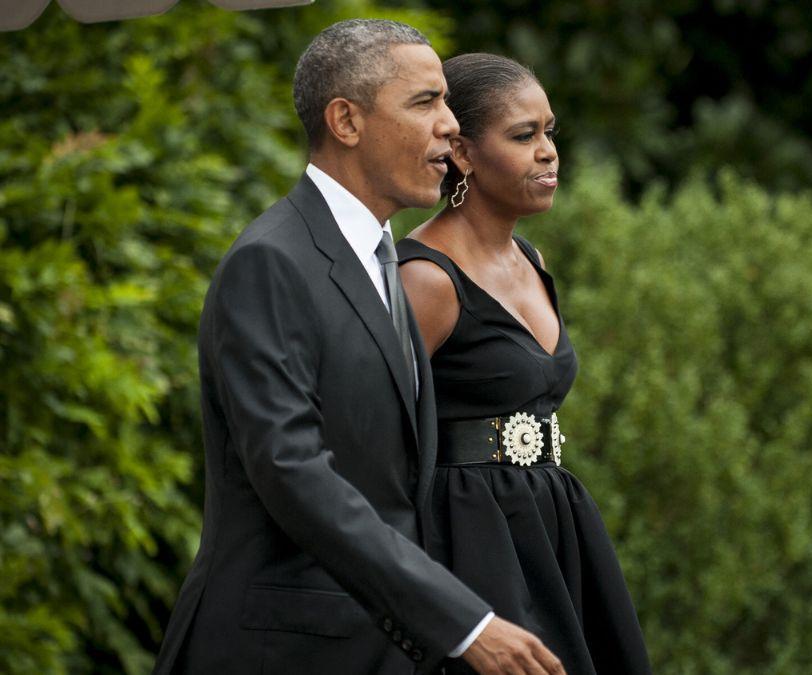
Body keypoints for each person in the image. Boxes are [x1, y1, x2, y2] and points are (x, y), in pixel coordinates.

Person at [153, 21, 563, 675]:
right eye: (425, 102)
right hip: (281, 650)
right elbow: (292, 470)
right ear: (346, 121)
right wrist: (464, 622)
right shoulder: (270, 261)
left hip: (378, 646)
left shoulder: (384, 257)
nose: (450, 125)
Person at [396, 53, 654, 675]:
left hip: (552, 525)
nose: (548, 153)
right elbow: (373, 439)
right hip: (468, 539)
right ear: (463, 153)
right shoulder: (426, 279)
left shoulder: (531, 259)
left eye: (549, 132)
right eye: (523, 136)